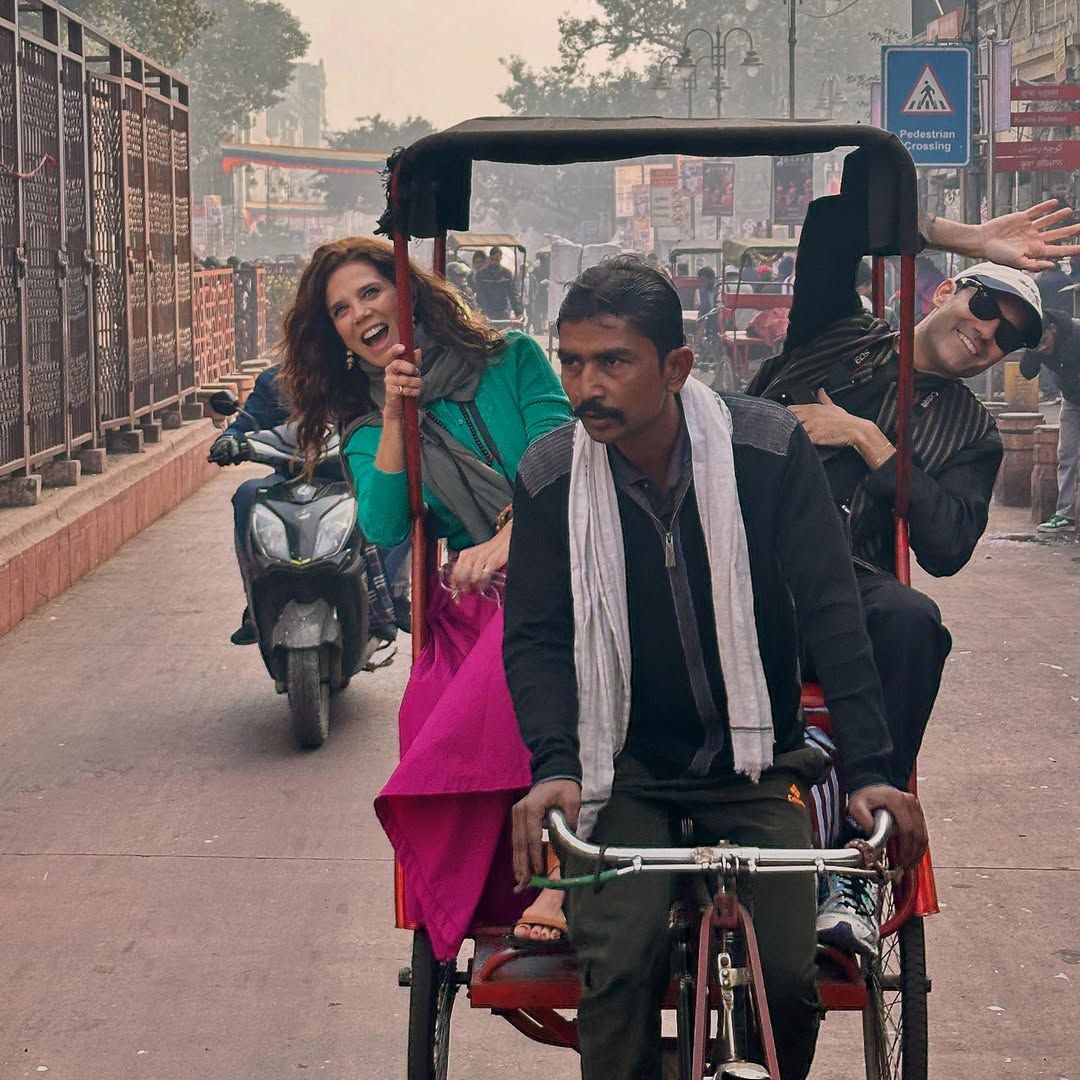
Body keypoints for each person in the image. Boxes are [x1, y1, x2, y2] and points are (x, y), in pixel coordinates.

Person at [505, 256, 928, 1080]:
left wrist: (875, 771)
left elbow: (834, 614)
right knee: (618, 969)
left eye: (613, 362)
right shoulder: (550, 474)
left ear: (676, 367)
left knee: (786, 980)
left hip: (757, 765)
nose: (586, 384)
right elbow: (537, 637)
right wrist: (554, 766)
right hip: (625, 771)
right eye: (572, 360)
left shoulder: (768, 450)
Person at [747, 194, 1080, 953]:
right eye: (988, 306)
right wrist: (961, 235)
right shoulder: (837, 335)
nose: (989, 334)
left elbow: (949, 545)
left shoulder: (972, 432)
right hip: (733, 552)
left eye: (1010, 337)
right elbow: (833, 223)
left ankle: (860, 850)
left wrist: (872, 444)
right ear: (945, 291)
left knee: (913, 621)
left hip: (841, 582)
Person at [279, 236, 573, 961]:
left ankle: (567, 864)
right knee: (433, 707)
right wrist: (393, 414)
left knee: (518, 665)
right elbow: (381, 523)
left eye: (370, 293)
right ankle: (492, 883)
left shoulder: (513, 359)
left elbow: (562, 456)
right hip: (487, 592)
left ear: (406, 291)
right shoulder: (367, 422)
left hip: (570, 557)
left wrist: (511, 538)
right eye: (341, 311)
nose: (359, 314)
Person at [208, 366, 289, 645]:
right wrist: (229, 440)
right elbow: (244, 425)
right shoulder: (275, 381)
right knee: (247, 494)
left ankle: (389, 597)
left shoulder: (354, 373)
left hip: (348, 478)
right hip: (288, 478)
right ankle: (257, 603)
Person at [1021, 307, 1080, 532]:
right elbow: (1026, 372)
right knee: (1066, 455)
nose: (1043, 347)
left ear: (1053, 329)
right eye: (1037, 343)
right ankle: (1065, 514)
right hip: (1072, 400)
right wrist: (1033, 352)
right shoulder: (1038, 346)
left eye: (1044, 340)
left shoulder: (1076, 333)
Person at [473, 245, 523, 321]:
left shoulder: (507, 274)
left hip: (503, 310)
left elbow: (513, 294)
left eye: (497, 260)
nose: (494, 262)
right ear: (489, 258)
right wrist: (484, 311)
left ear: (500, 258)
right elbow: (480, 295)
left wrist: (518, 312)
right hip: (487, 311)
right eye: (492, 259)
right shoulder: (481, 274)